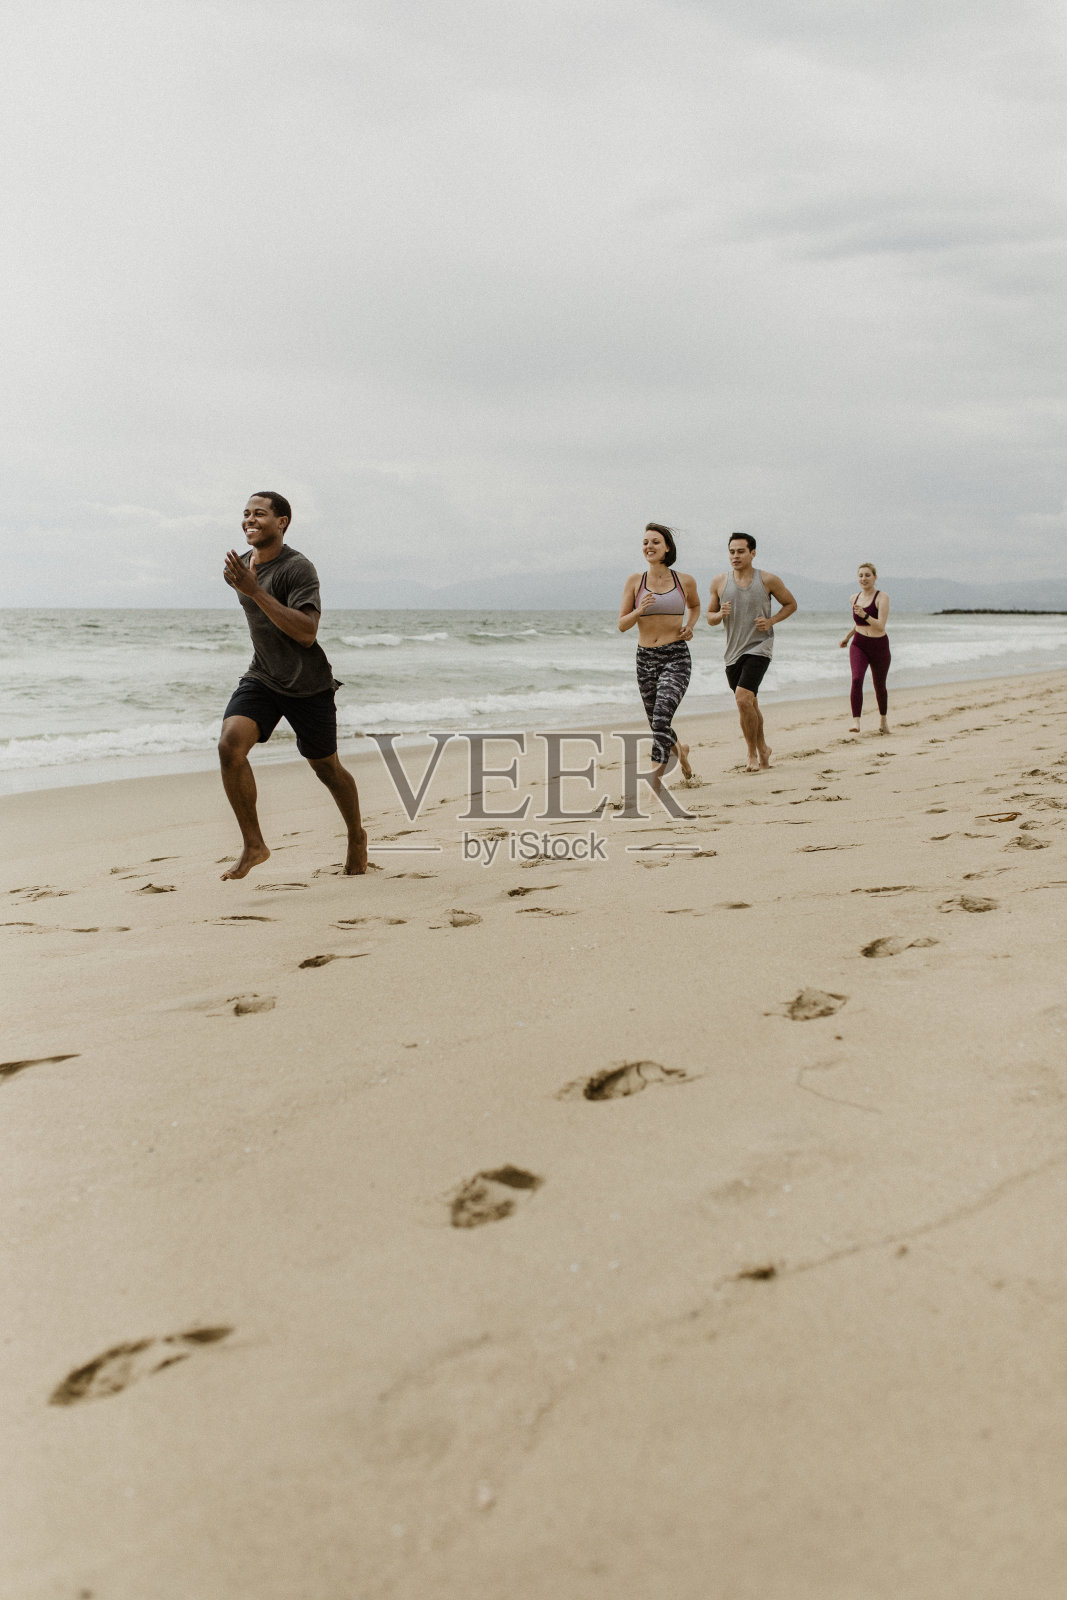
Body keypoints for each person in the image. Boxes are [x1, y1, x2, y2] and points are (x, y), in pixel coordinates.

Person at [218, 491, 367, 880]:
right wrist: (247, 585)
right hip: (263, 675)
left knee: (327, 769)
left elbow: (306, 632)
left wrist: (254, 590)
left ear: (282, 522)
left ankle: (356, 835)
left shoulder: (298, 568)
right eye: (246, 513)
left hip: (308, 685)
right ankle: (254, 844)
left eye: (260, 514)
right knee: (230, 745)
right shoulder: (245, 567)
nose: (250, 519)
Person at [618, 524, 701, 797]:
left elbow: (696, 606)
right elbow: (622, 625)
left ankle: (655, 776)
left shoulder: (684, 581)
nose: (648, 546)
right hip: (645, 658)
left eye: (655, 541)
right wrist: (639, 609)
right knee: (657, 722)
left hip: (676, 656)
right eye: (645, 542)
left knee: (662, 714)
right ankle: (683, 754)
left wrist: (690, 625)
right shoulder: (635, 582)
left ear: (667, 547)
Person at [706, 532, 797, 771]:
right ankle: (764, 748)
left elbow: (791, 604)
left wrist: (772, 620)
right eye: (732, 551)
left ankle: (751, 755)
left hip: (760, 646)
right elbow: (709, 618)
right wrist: (720, 614)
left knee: (742, 698)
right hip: (732, 652)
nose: (735, 556)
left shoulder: (768, 580)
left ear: (752, 553)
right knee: (750, 703)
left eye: (740, 551)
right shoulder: (719, 582)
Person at [840, 562, 890, 734]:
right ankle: (856, 722)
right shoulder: (854, 598)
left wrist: (865, 614)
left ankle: (883, 720)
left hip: (879, 646)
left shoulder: (882, 597)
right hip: (859, 644)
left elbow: (880, 626)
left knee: (879, 685)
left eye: (868, 575)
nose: (864, 578)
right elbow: (857, 623)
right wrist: (847, 637)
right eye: (860, 575)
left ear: (875, 577)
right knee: (856, 679)